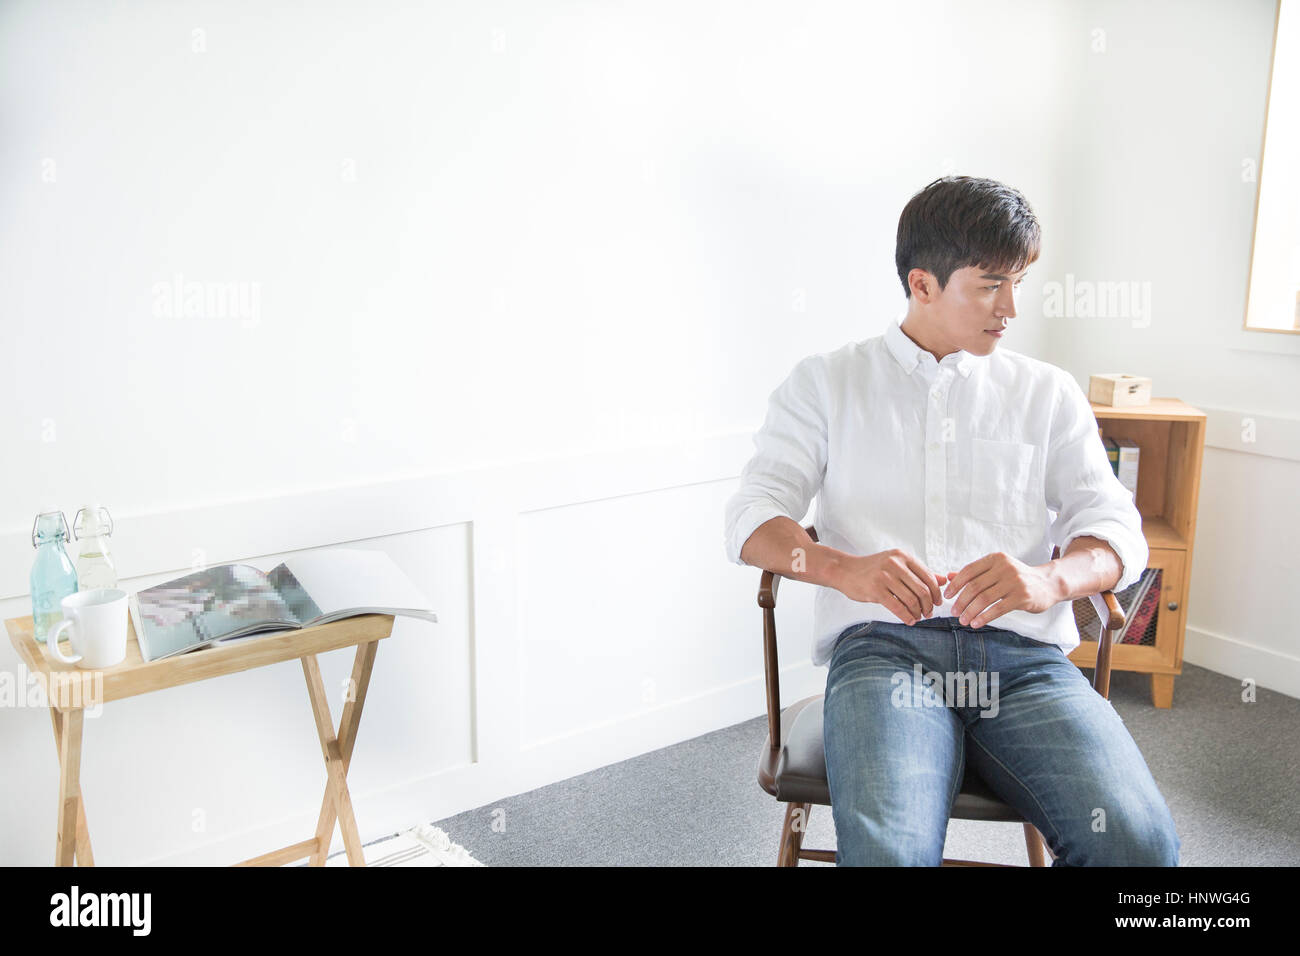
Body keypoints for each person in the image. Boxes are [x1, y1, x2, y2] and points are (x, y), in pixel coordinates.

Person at [722, 176, 1180, 866]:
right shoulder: (826, 384)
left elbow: (1116, 529)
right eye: (991, 285)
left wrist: (1051, 580)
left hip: (1024, 663)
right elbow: (753, 515)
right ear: (923, 284)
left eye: (1019, 282)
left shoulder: (1046, 393)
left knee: (1139, 846)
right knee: (890, 856)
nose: (1012, 307)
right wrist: (843, 569)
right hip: (885, 657)